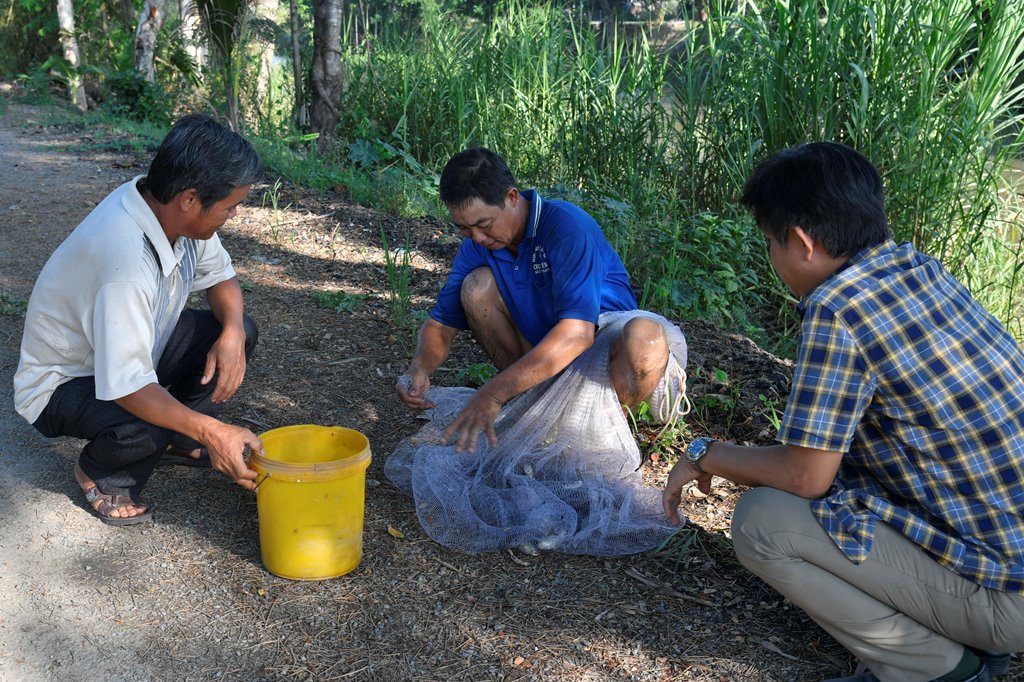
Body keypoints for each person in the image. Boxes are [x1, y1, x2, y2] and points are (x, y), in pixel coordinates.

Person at [662, 142, 1024, 682]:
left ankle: (936, 668)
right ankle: (961, 634)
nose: (771, 257)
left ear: (803, 243)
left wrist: (705, 454)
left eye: (769, 243)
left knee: (762, 522)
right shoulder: (917, 268)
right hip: (1006, 556)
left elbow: (804, 476)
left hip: (1005, 598)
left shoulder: (840, 309)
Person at [14, 113, 266, 526]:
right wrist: (212, 431)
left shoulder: (168, 210)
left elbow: (222, 277)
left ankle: (178, 438)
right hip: (62, 381)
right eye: (230, 207)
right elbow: (129, 388)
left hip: (128, 351)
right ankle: (103, 473)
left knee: (234, 331)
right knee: (144, 425)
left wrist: (234, 331)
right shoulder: (125, 261)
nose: (233, 215)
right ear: (190, 198)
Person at [396, 147, 685, 452]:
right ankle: (534, 403)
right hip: (548, 359)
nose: (477, 237)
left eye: (483, 224)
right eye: (464, 228)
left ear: (511, 197)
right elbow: (441, 326)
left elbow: (577, 335)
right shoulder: (476, 245)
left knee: (646, 337)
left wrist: (493, 394)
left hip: (607, 351)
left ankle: (613, 425)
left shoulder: (565, 227)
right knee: (475, 287)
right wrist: (419, 368)